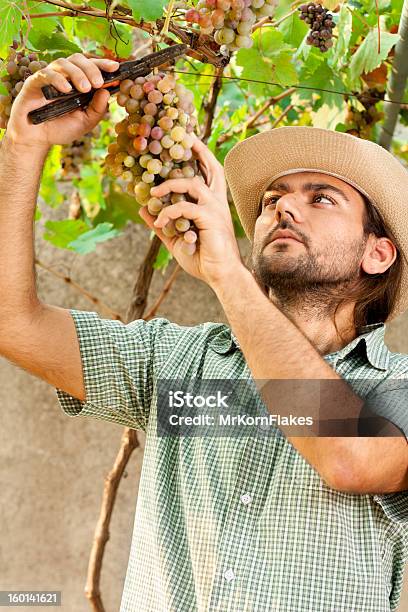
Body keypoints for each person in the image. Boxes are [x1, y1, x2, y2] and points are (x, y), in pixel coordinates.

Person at [0, 53, 407, 612]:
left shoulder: (398, 390)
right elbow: (12, 323)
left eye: (321, 198)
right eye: (272, 199)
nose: (284, 205)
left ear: (378, 253)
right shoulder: (174, 361)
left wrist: (226, 276)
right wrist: (24, 148)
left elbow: (349, 458)